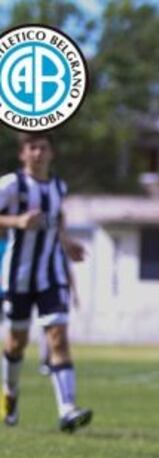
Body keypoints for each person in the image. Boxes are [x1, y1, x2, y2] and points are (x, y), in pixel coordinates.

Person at [0, 133, 93, 432]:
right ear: (22, 154)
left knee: (58, 338)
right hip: (18, 276)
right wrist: (16, 222)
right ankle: (9, 395)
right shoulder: (12, 185)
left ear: (51, 153)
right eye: (32, 148)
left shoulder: (58, 187)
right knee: (16, 344)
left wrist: (68, 244)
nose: (38, 153)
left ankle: (67, 410)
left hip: (51, 275)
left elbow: (55, 223)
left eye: (43, 147)